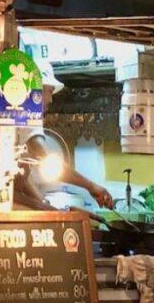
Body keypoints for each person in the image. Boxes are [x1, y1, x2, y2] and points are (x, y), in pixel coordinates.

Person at [15, 61, 113, 210]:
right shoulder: (27, 114)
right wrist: (91, 186)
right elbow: (45, 158)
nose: (51, 99)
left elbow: (20, 173)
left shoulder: (16, 112)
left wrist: (42, 202)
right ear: (38, 90)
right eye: (50, 91)